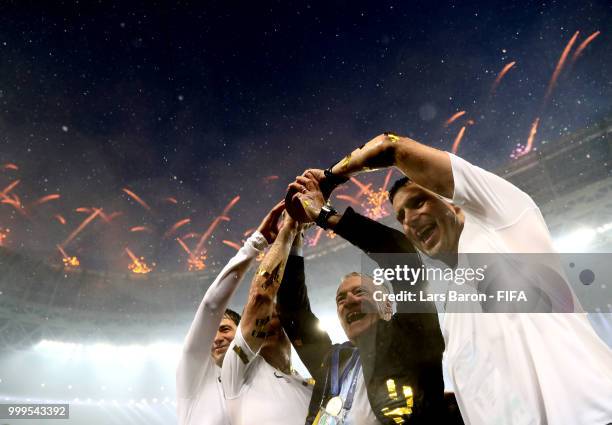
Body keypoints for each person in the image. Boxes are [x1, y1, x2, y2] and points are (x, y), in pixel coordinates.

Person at [288, 132, 612, 425]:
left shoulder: (501, 221)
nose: (410, 219)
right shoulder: (453, 313)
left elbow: (390, 146)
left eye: (419, 202)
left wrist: (328, 183)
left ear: (454, 205)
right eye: (401, 217)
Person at [176, 201, 285, 425]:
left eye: (225, 329)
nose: (216, 339)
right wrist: (256, 243)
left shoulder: (265, 383)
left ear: (241, 334)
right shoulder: (193, 380)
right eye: (211, 334)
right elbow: (211, 307)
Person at [220, 210, 313, 425]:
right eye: (262, 316)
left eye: (275, 314)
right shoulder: (237, 371)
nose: (268, 318)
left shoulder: (313, 384)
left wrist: (297, 235)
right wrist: (290, 227)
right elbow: (261, 296)